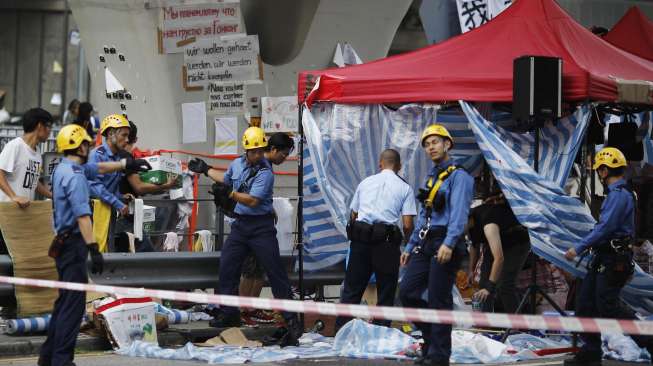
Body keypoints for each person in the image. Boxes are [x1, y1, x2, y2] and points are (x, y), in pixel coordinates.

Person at [38, 124, 150, 366]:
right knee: (73, 306)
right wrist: (93, 248)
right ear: (79, 146)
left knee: (64, 302)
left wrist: (124, 165)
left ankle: (48, 357)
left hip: (63, 243)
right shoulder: (76, 177)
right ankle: (62, 360)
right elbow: (82, 216)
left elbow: (97, 167)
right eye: (87, 143)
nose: (90, 147)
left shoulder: (64, 168)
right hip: (74, 243)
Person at [187, 127, 302, 347]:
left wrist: (229, 194)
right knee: (227, 267)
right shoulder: (238, 164)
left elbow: (251, 201)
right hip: (240, 226)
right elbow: (227, 179)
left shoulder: (266, 173)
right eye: (254, 152)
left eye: (261, 151)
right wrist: (206, 169)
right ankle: (229, 313)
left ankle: (290, 320)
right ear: (246, 151)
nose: (258, 155)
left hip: (261, 228)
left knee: (275, 272)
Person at [564, 147, 653, 366]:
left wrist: (579, 247)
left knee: (608, 305)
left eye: (599, 171)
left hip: (614, 260)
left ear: (604, 171)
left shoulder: (619, 195)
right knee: (585, 303)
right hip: (604, 258)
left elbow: (605, 228)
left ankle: (649, 342)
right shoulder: (619, 194)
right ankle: (591, 350)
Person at [399, 124, 474, 366]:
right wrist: (410, 247)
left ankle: (439, 355)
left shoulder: (460, 176)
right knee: (408, 292)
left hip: (446, 241)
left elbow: (460, 214)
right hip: (427, 240)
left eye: (435, 142)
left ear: (447, 144)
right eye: (427, 144)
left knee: (438, 300)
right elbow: (423, 215)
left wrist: (450, 243)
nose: (431, 147)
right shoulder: (432, 176)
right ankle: (431, 340)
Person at [334, 149, 416, 330]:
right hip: (386, 244)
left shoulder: (365, 183)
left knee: (352, 291)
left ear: (380, 164)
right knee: (386, 292)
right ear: (399, 166)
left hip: (361, 241)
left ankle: (340, 332)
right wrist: (406, 244)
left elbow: (353, 215)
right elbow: (408, 224)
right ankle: (381, 334)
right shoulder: (405, 188)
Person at [237, 132, 295, 326]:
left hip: (261, 223)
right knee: (251, 269)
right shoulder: (261, 165)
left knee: (259, 269)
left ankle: (250, 309)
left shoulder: (266, 166)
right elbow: (249, 193)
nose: (284, 159)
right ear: (273, 149)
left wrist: (269, 208)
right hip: (252, 225)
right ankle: (244, 310)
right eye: (284, 154)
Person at [114, 121, 176, 252]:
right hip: (126, 217)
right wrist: (165, 186)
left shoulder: (114, 156)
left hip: (117, 213)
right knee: (147, 255)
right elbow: (139, 187)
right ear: (135, 139)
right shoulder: (126, 157)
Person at [467, 189, 531, 313]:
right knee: (483, 284)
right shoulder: (468, 224)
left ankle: (516, 326)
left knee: (505, 285)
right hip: (497, 241)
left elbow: (499, 258)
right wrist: (471, 270)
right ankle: (485, 323)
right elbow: (474, 245)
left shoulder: (488, 225)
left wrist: (490, 287)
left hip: (516, 242)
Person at [0, 108, 53, 254]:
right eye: (49, 126)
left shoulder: (36, 155)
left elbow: (33, 183)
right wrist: (13, 196)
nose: (50, 131)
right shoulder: (15, 146)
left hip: (21, 218)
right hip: (5, 217)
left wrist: (52, 195)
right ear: (39, 126)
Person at [88, 114, 132, 237]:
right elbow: (95, 187)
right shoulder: (97, 155)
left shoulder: (117, 157)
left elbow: (110, 187)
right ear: (111, 134)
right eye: (124, 135)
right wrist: (118, 203)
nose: (127, 140)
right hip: (92, 213)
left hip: (105, 212)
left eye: (128, 136)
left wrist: (121, 197)